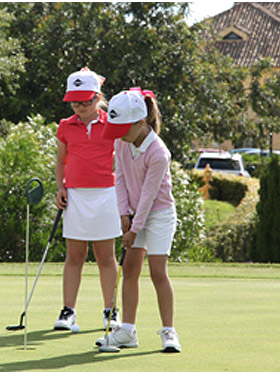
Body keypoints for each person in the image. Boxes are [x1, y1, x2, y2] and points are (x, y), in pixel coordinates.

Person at [96, 88, 181, 352]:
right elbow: (119, 179)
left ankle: (169, 331)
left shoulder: (158, 152)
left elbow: (148, 195)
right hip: (133, 213)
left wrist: (134, 227)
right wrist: (122, 214)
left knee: (157, 271)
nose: (118, 133)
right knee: (131, 269)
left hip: (159, 214)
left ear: (140, 123)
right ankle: (128, 332)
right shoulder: (121, 142)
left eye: (122, 128)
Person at [54, 68, 122, 331]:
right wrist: (60, 187)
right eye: (75, 101)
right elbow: (61, 161)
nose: (80, 107)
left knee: (105, 256)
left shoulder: (113, 125)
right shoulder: (65, 126)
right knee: (75, 256)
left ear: (98, 97)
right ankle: (68, 311)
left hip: (106, 195)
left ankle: (110, 311)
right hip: (76, 196)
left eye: (86, 101)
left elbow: (123, 164)